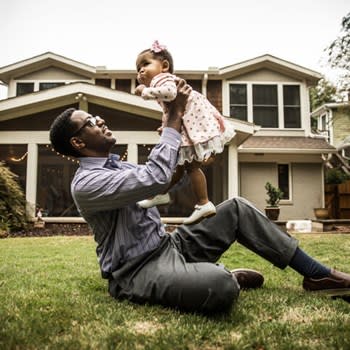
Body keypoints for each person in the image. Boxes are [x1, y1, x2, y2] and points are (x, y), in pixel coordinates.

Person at [49, 80, 350, 315]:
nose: (99, 120)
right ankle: (224, 276)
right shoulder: (88, 183)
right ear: (78, 141)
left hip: (170, 245)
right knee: (218, 286)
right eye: (90, 122)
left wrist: (186, 146)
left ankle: (318, 276)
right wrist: (174, 118)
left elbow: (163, 182)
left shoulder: (120, 165)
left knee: (236, 208)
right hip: (138, 270)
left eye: (95, 117)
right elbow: (152, 177)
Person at [134, 40, 236, 224]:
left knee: (191, 167)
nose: (140, 70)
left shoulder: (162, 79)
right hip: (188, 121)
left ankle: (204, 203)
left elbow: (171, 94)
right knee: (179, 167)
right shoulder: (160, 79)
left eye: (145, 64)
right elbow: (171, 110)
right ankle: (161, 194)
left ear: (164, 66)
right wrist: (165, 128)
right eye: (138, 68)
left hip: (192, 122)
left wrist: (145, 91)